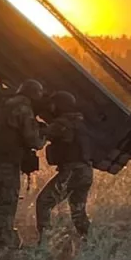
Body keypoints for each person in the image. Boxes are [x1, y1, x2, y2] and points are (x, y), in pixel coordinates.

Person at [0, 79, 45, 248]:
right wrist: (43, 136)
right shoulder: (23, 109)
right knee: (8, 199)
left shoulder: (3, 106)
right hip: (8, 161)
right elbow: (32, 139)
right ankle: (4, 240)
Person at [36, 90, 93, 242]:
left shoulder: (62, 123)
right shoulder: (79, 122)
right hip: (85, 171)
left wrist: (35, 124)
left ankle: (45, 241)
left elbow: (41, 134)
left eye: (54, 105)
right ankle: (90, 240)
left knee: (43, 203)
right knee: (78, 211)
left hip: (72, 172)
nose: (51, 108)